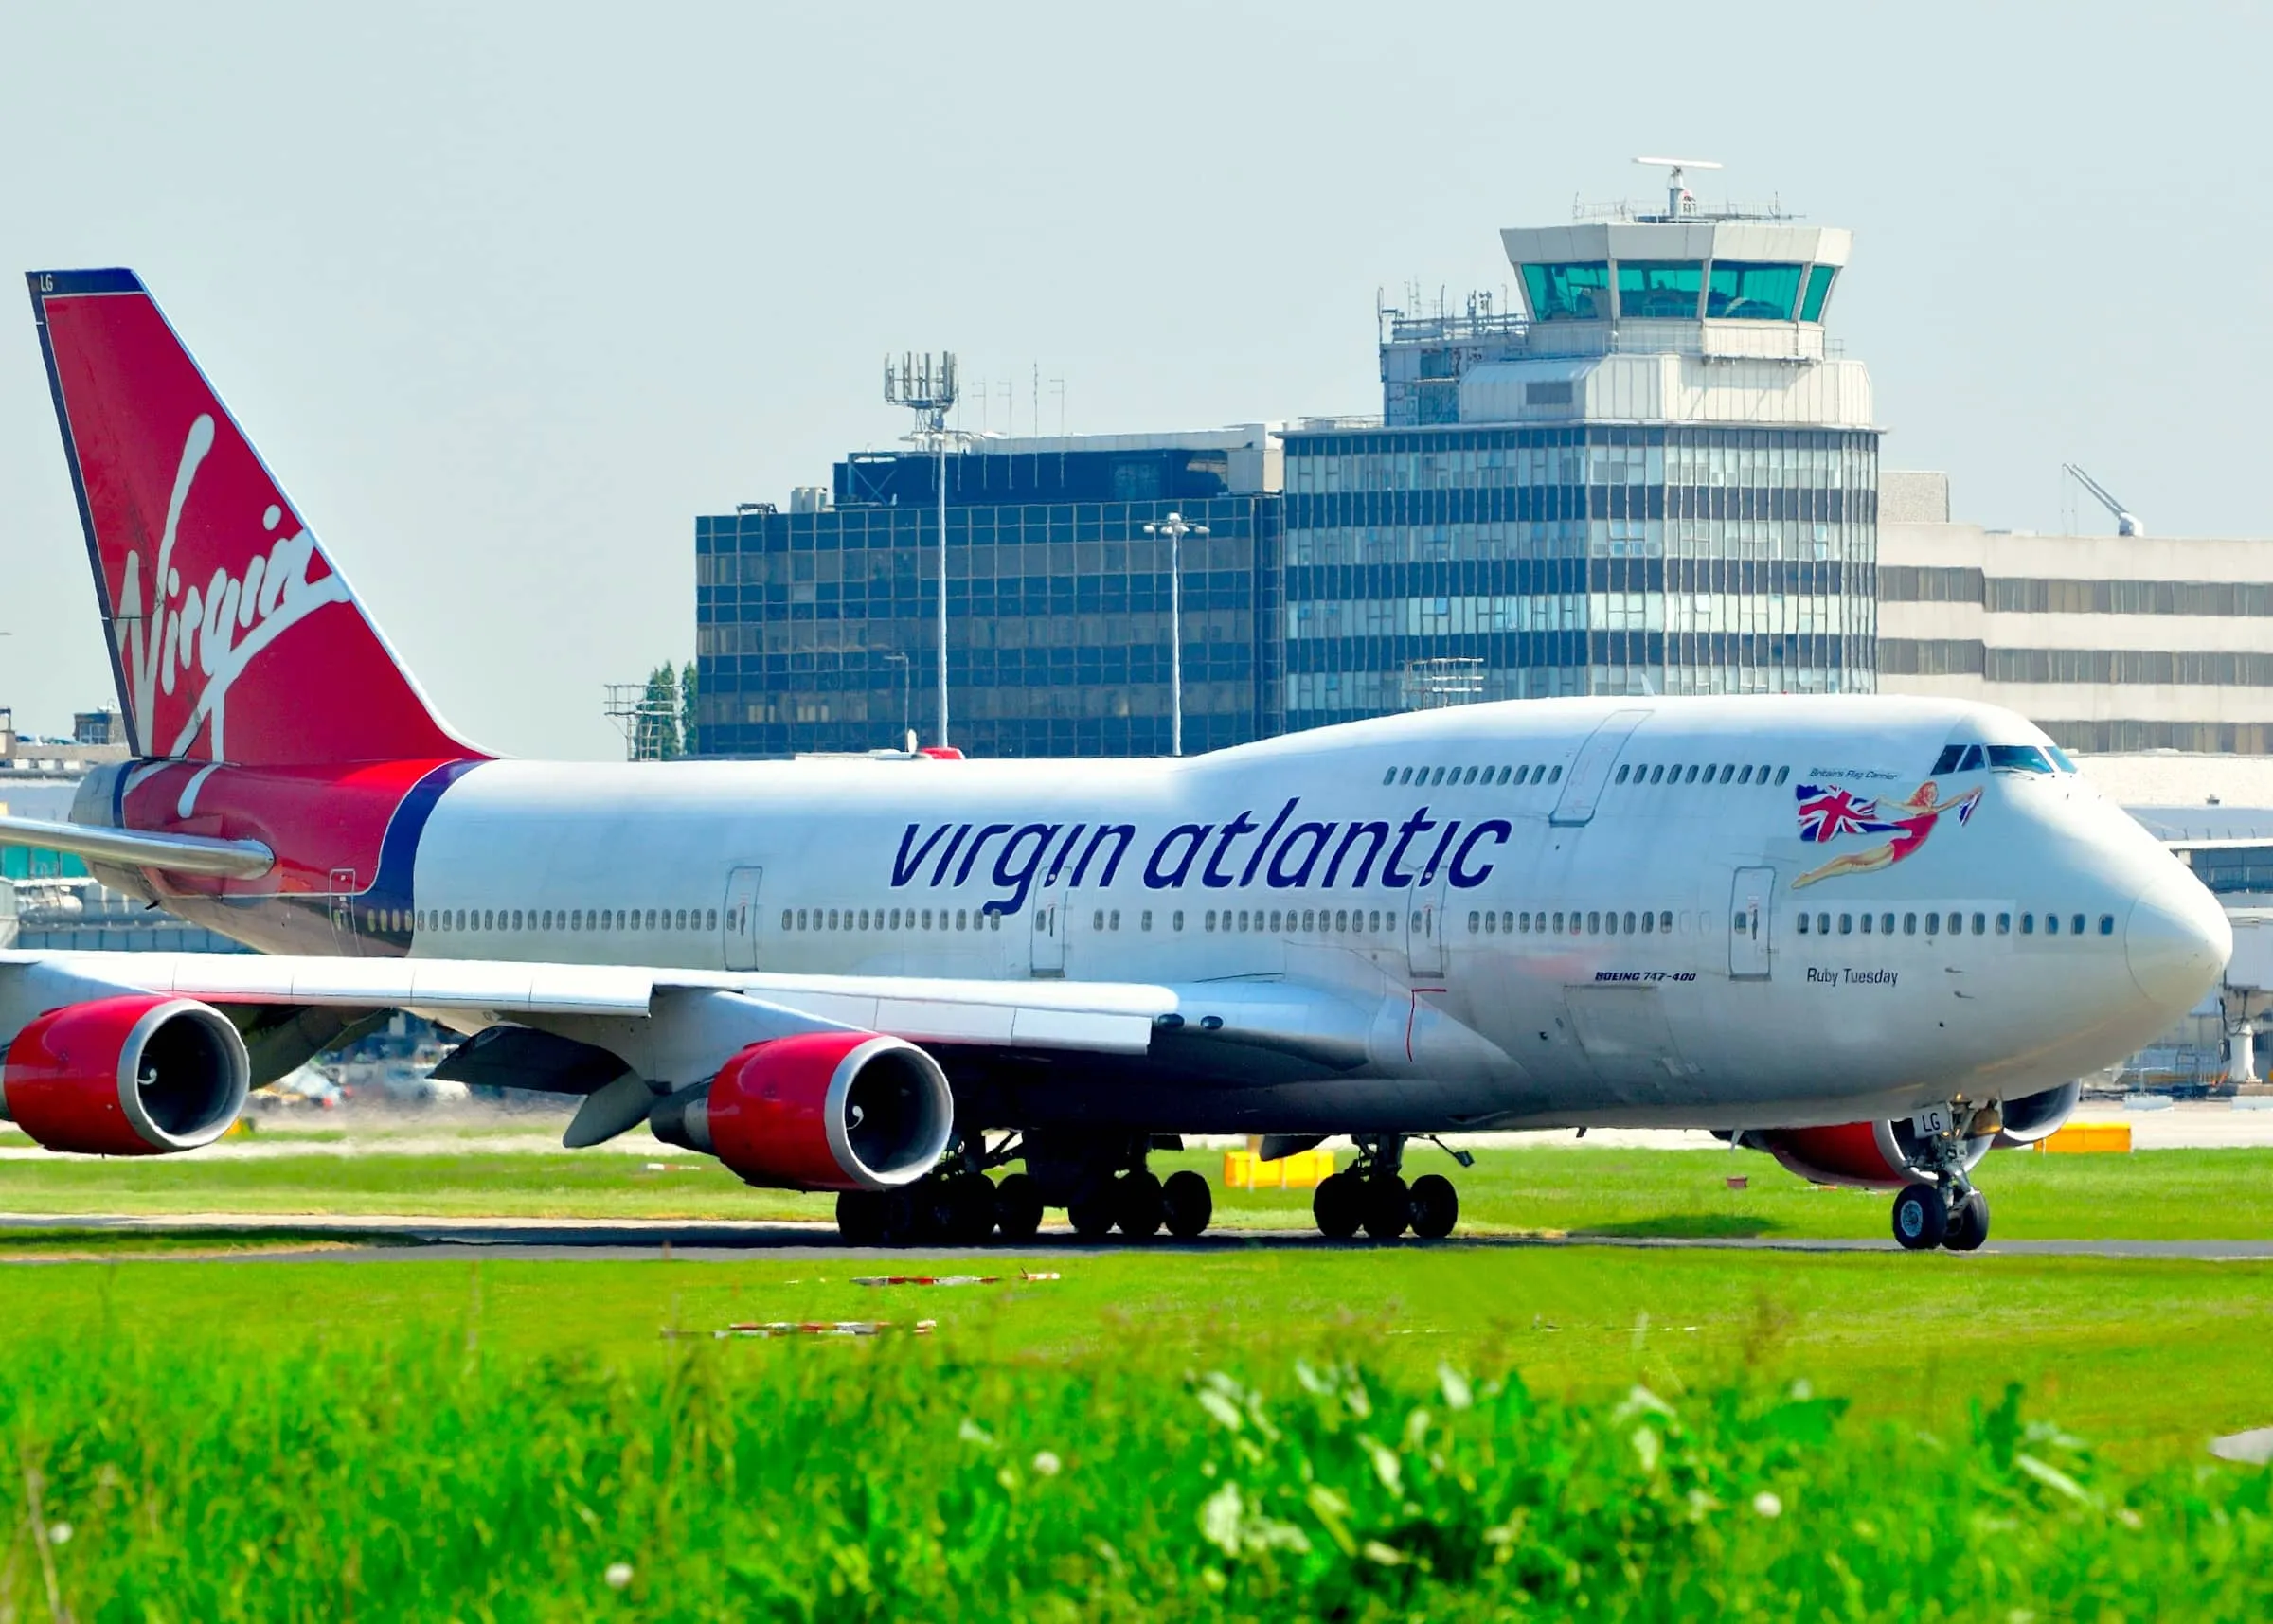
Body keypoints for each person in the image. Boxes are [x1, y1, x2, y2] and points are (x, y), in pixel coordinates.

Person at [1793, 779, 1981, 890]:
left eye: (1934, 792)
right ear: (1923, 793)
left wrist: (1970, 792)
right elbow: (1897, 806)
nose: (1933, 795)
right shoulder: (1918, 808)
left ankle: (1810, 876)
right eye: (1929, 792)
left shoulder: (1932, 809)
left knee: (1850, 860)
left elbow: (1951, 802)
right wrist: (1886, 801)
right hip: (1901, 846)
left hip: (1902, 845)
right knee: (1851, 863)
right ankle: (1809, 878)